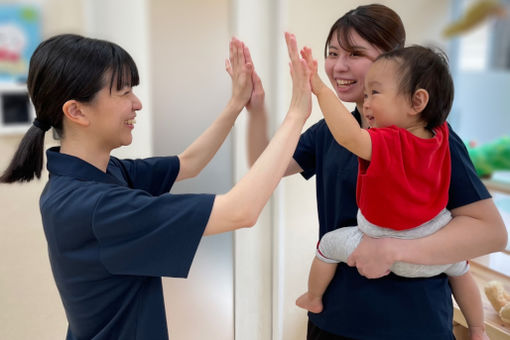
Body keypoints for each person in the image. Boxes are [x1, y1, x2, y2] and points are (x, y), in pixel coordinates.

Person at [0, 33, 312, 340]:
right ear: (76, 111)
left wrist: (235, 104)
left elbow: (189, 163)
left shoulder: (93, 174)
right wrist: (296, 114)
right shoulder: (97, 206)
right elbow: (240, 211)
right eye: (123, 92)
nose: (136, 104)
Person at [246, 4, 507, 340]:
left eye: (355, 53)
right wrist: (254, 108)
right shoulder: (328, 132)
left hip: (415, 325)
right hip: (335, 322)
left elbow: (491, 233)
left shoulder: (433, 137)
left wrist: (393, 250)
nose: (339, 66)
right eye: (332, 52)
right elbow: (262, 166)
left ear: (390, 59)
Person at [293, 41, 487, 340]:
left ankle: (313, 296)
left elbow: (348, 135)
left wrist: (318, 87)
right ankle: (477, 329)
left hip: (385, 243)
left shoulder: (390, 141)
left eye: (375, 93)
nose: (366, 102)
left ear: (417, 101)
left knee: (329, 245)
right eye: (367, 93)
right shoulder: (441, 137)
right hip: (431, 245)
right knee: (460, 270)